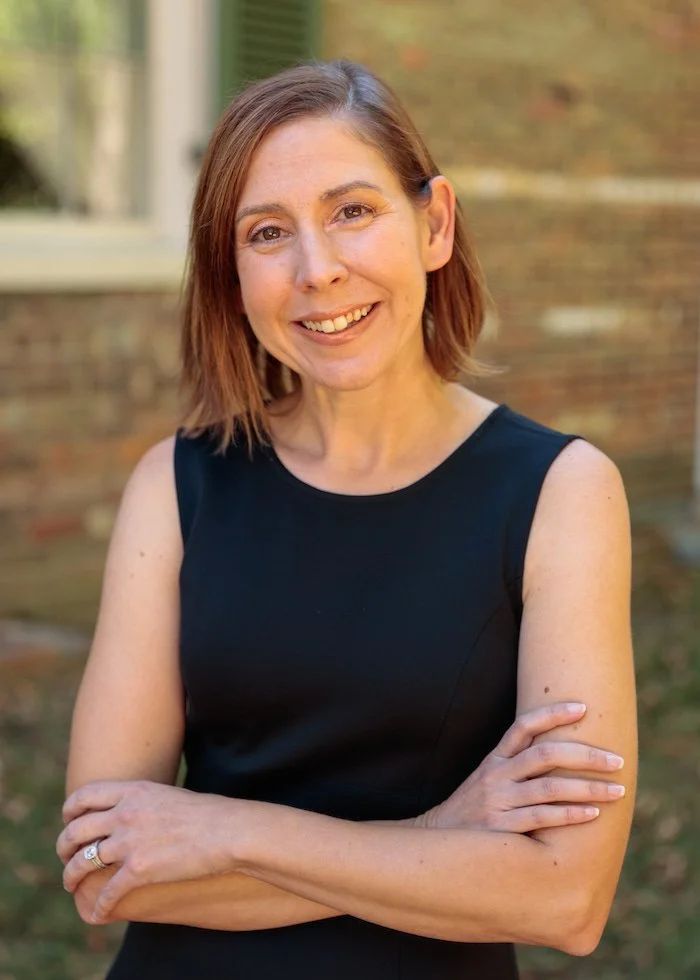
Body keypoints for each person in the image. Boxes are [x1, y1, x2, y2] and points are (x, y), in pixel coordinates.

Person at [56, 60, 637, 979]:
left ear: (434, 224)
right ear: (233, 273)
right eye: (267, 233)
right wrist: (440, 836)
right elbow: (104, 872)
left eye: (353, 212)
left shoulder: (560, 491)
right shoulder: (177, 484)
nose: (316, 271)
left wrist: (223, 832)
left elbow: (566, 899)